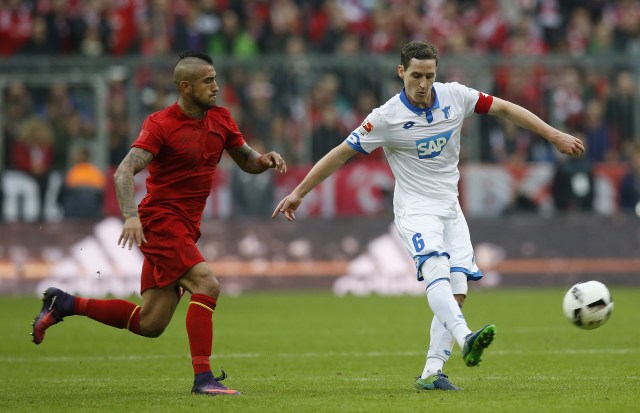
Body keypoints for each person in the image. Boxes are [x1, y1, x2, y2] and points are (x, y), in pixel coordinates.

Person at [272, 40, 584, 391]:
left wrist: (554, 134)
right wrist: (299, 192)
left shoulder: (455, 96)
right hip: (415, 208)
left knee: (458, 289)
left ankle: (431, 372)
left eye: (430, 76)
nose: (423, 84)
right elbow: (340, 153)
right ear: (401, 72)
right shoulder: (385, 117)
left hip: (450, 208)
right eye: (416, 75)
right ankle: (466, 337)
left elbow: (507, 109)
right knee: (436, 270)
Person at [31, 50, 287, 396]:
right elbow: (124, 172)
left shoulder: (222, 119)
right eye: (207, 81)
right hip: (160, 221)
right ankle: (203, 379)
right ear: (186, 86)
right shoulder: (161, 124)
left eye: (215, 79)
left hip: (185, 226)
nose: (215, 86)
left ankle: (66, 304)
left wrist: (265, 160)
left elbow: (246, 161)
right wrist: (130, 217)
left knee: (150, 323)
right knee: (207, 285)